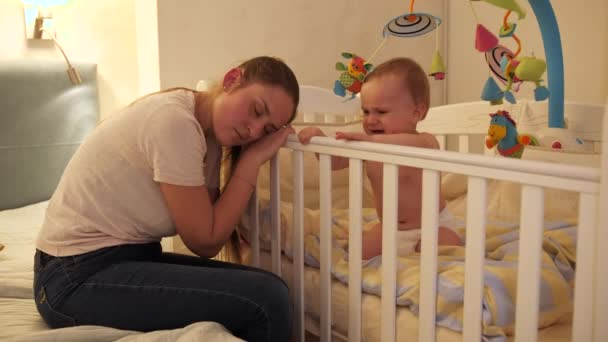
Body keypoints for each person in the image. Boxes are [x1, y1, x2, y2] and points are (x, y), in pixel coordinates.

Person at [34, 56, 299, 342]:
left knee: (272, 288)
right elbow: (205, 241)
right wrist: (253, 159)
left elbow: (211, 223)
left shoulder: (206, 134)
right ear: (232, 79)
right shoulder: (175, 121)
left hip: (126, 259)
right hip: (73, 278)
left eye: (268, 131)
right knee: (266, 300)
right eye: (257, 110)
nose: (254, 131)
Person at [298, 57, 462, 260]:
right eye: (366, 111)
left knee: (445, 247)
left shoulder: (425, 143)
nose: (370, 119)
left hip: (434, 225)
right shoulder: (370, 145)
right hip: (389, 228)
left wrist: (370, 140)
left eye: (381, 111)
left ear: (416, 113)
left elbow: (404, 145)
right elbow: (335, 163)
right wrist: (319, 138)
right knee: (356, 255)